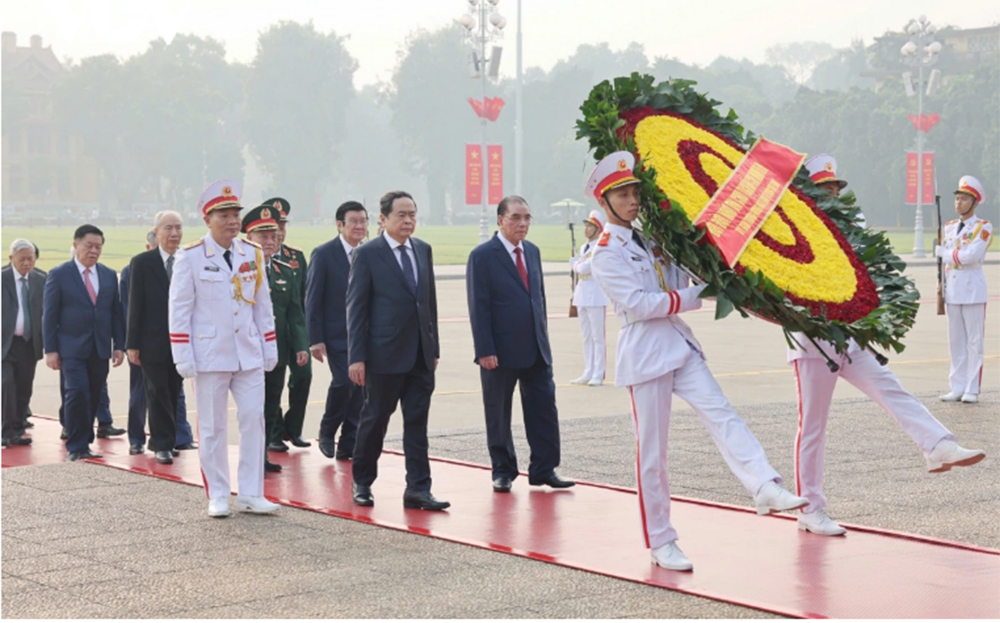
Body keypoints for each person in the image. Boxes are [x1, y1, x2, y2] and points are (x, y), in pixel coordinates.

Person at [587, 151, 809, 572]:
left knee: (722, 413)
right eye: (623, 194)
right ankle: (661, 541)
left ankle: (764, 483)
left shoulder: (652, 238)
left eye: (635, 192)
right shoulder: (604, 252)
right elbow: (637, 304)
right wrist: (700, 294)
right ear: (605, 201)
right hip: (645, 352)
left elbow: (682, 276)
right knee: (653, 456)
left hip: (678, 344)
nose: (633, 200)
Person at [790, 160, 986, 537]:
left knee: (889, 386)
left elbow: (869, 264)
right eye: (824, 187)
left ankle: (938, 444)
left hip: (849, 334)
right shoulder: (796, 227)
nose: (832, 193)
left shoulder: (853, 222)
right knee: (812, 427)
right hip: (812, 338)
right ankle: (810, 508)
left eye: (835, 187)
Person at [169, 180, 280, 518]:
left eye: (235, 215)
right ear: (208, 219)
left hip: (248, 352)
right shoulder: (189, 257)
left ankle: (250, 493)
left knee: (252, 419)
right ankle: (218, 493)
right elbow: (179, 309)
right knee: (213, 427)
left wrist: (269, 344)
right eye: (225, 215)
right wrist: (182, 354)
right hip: (210, 355)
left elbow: (262, 304)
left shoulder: (252, 252)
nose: (233, 221)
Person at [347, 190, 448, 511]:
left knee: (417, 424)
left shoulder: (423, 250)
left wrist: (434, 347)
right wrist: (356, 357)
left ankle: (418, 488)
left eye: (413, 215)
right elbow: (356, 309)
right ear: (384, 219)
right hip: (383, 356)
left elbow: (428, 302)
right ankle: (362, 482)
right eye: (401, 215)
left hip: (420, 356)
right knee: (375, 420)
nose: (408, 221)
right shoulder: (368, 254)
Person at [466, 195, 574, 493]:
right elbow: (479, 306)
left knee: (543, 410)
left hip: (536, 348)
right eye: (515, 217)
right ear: (500, 220)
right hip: (499, 352)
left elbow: (537, 298)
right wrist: (485, 350)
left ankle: (544, 468)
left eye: (527, 217)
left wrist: (544, 339)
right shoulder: (483, 256)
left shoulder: (533, 252)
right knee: (498, 412)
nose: (522, 224)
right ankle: (502, 470)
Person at [43, 225, 126, 461]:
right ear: (76, 244)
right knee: (76, 392)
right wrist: (51, 350)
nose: (93, 251)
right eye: (89, 245)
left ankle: (85, 442)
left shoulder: (109, 275)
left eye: (98, 247)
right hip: (71, 347)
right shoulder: (59, 274)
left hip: (99, 348)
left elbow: (115, 314)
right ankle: (76, 445)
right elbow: (49, 315)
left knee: (93, 394)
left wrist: (118, 345)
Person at [240, 203, 308, 471]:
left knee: (270, 404)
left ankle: (263, 454)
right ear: (249, 239)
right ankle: (250, 456)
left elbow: (295, 312)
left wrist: (301, 345)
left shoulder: (284, 270)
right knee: (250, 408)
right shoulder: (239, 269)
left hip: (275, 349)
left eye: (273, 236)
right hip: (245, 350)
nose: (270, 242)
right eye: (263, 236)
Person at [122, 226, 196, 456]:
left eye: (178, 228)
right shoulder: (142, 262)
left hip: (180, 341)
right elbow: (135, 305)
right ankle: (161, 444)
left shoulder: (187, 260)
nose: (174, 233)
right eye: (169, 228)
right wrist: (132, 344)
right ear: (158, 232)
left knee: (174, 392)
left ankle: (166, 441)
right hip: (151, 341)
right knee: (156, 392)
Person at [306, 200, 368, 460]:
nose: (359, 226)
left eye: (363, 221)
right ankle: (328, 428)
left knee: (362, 390)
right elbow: (313, 298)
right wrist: (316, 339)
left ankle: (349, 442)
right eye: (353, 221)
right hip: (337, 335)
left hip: (366, 336)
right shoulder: (324, 253)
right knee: (344, 383)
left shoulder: (370, 253)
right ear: (339, 224)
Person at [935, 175, 992, 404]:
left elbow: (970, 256)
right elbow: (949, 261)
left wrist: (944, 254)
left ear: (974, 202)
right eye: (957, 198)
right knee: (955, 341)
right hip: (953, 289)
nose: (959, 203)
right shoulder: (949, 227)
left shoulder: (982, 227)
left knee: (974, 341)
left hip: (972, 289)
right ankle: (956, 386)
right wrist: (941, 281)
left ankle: (972, 388)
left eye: (964, 199)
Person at [268, 197, 312, 449]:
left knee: (303, 377)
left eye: (283, 226)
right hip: (271, 336)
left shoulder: (295, 257)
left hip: (295, 332)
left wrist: (305, 339)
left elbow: (302, 300)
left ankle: (293, 428)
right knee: (272, 385)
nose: (280, 232)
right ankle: (274, 433)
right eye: (275, 226)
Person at [2, 239, 45, 447]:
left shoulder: (41, 279)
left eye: (31, 259)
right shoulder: (2, 279)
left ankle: (18, 429)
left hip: (29, 344)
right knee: (6, 385)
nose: (27, 263)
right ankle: (5, 430)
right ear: (11, 259)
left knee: (23, 388)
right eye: (22, 259)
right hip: (5, 344)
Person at [569, 209, 609, 386]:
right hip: (583, 292)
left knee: (597, 337)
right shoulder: (584, 247)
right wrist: (577, 264)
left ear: (598, 229)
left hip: (595, 293)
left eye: (590, 226)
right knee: (586, 336)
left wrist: (576, 264)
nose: (586, 229)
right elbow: (578, 267)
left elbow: (584, 269)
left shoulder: (600, 248)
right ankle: (588, 370)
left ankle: (598, 373)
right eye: (586, 225)